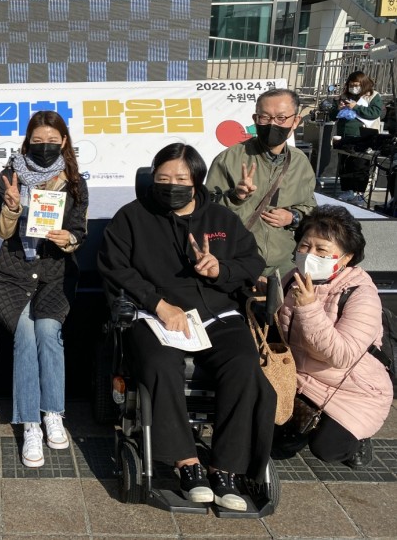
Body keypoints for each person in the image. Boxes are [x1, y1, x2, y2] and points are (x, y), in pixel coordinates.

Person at [98, 143, 274, 511]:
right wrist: (158, 304)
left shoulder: (222, 219)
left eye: (180, 179)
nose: (171, 186)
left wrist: (220, 269)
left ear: (196, 180)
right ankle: (187, 463)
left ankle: (225, 468)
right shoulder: (132, 218)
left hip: (217, 314)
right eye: (163, 179)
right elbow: (115, 268)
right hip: (156, 315)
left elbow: (251, 263)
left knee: (244, 366)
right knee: (160, 363)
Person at [0, 111, 89, 468]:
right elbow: (1, 232)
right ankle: (30, 423)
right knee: (25, 335)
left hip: (55, 274)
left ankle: (53, 414)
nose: (44, 146)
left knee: (47, 331)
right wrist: (12, 208)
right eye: (38, 140)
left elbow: (79, 230)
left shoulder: (73, 181)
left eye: (52, 141)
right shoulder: (9, 176)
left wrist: (68, 238)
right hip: (12, 275)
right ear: (27, 141)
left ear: (64, 142)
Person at [273, 205, 393, 467]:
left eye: (322, 250)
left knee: (328, 449)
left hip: (352, 389)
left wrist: (309, 308)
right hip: (301, 380)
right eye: (305, 246)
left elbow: (341, 356)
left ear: (347, 257)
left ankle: (358, 441)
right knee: (277, 445)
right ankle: (306, 425)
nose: (310, 255)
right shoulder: (292, 279)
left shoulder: (360, 294)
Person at [206, 87, 316, 278]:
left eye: (281, 118)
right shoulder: (229, 159)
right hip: (238, 260)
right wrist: (235, 198)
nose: (272, 124)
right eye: (264, 117)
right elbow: (207, 211)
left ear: (295, 121)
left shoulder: (300, 162)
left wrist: (293, 217)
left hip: (283, 263)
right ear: (255, 119)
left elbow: (310, 208)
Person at [329, 72, 384, 206]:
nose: (354, 88)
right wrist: (338, 109)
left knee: (360, 164)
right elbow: (332, 115)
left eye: (356, 85)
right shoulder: (344, 96)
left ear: (363, 84)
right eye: (351, 85)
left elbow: (374, 113)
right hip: (343, 135)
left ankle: (359, 193)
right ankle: (347, 190)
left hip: (362, 135)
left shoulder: (373, 96)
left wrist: (356, 107)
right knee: (344, 164)